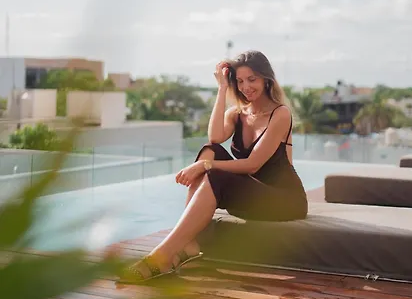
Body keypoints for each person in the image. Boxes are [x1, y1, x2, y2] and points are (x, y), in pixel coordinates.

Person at [118, 50, 308, 284]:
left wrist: (204, 166)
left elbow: (253, 165)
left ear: (266, 79)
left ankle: (162, 256)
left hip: (283, 200)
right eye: (240, 81)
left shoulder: (280, 114)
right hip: (251, 195)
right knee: (210, 150)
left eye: (252, 79)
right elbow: (215, 137)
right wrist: (222, 89)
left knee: (213, 170)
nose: (246, 87)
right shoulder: (237, 114)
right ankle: (188, 243)